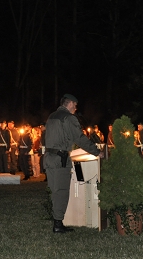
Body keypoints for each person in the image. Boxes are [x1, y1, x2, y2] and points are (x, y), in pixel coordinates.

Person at [44, 94, 101, 233]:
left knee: (55, 190)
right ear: (69, 104)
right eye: (75, 105)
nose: (76, 108)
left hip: (49, 158)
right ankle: (58, 224)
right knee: (62, 191)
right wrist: (96, 152)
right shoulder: (68, 118)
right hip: (60, 160)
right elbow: (79, 138)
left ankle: (57, 220)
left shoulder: (52, 116)